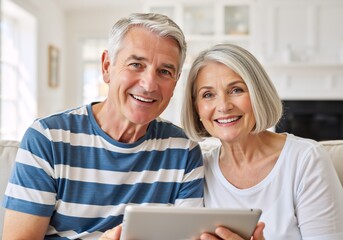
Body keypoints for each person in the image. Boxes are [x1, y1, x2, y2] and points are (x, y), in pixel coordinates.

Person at [1, 13, 205, 239]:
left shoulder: (184, 152)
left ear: (175, 83)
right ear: (107, 66)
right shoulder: (47, 138)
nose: (149, 85)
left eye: (164, 72)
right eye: (136, 64)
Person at [181, 43, 343, 239]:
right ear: (196, 108)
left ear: (258, 94)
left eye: (236, 90)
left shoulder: (306, 159)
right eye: (208, 95)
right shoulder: (196, 170)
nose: (223, 106)